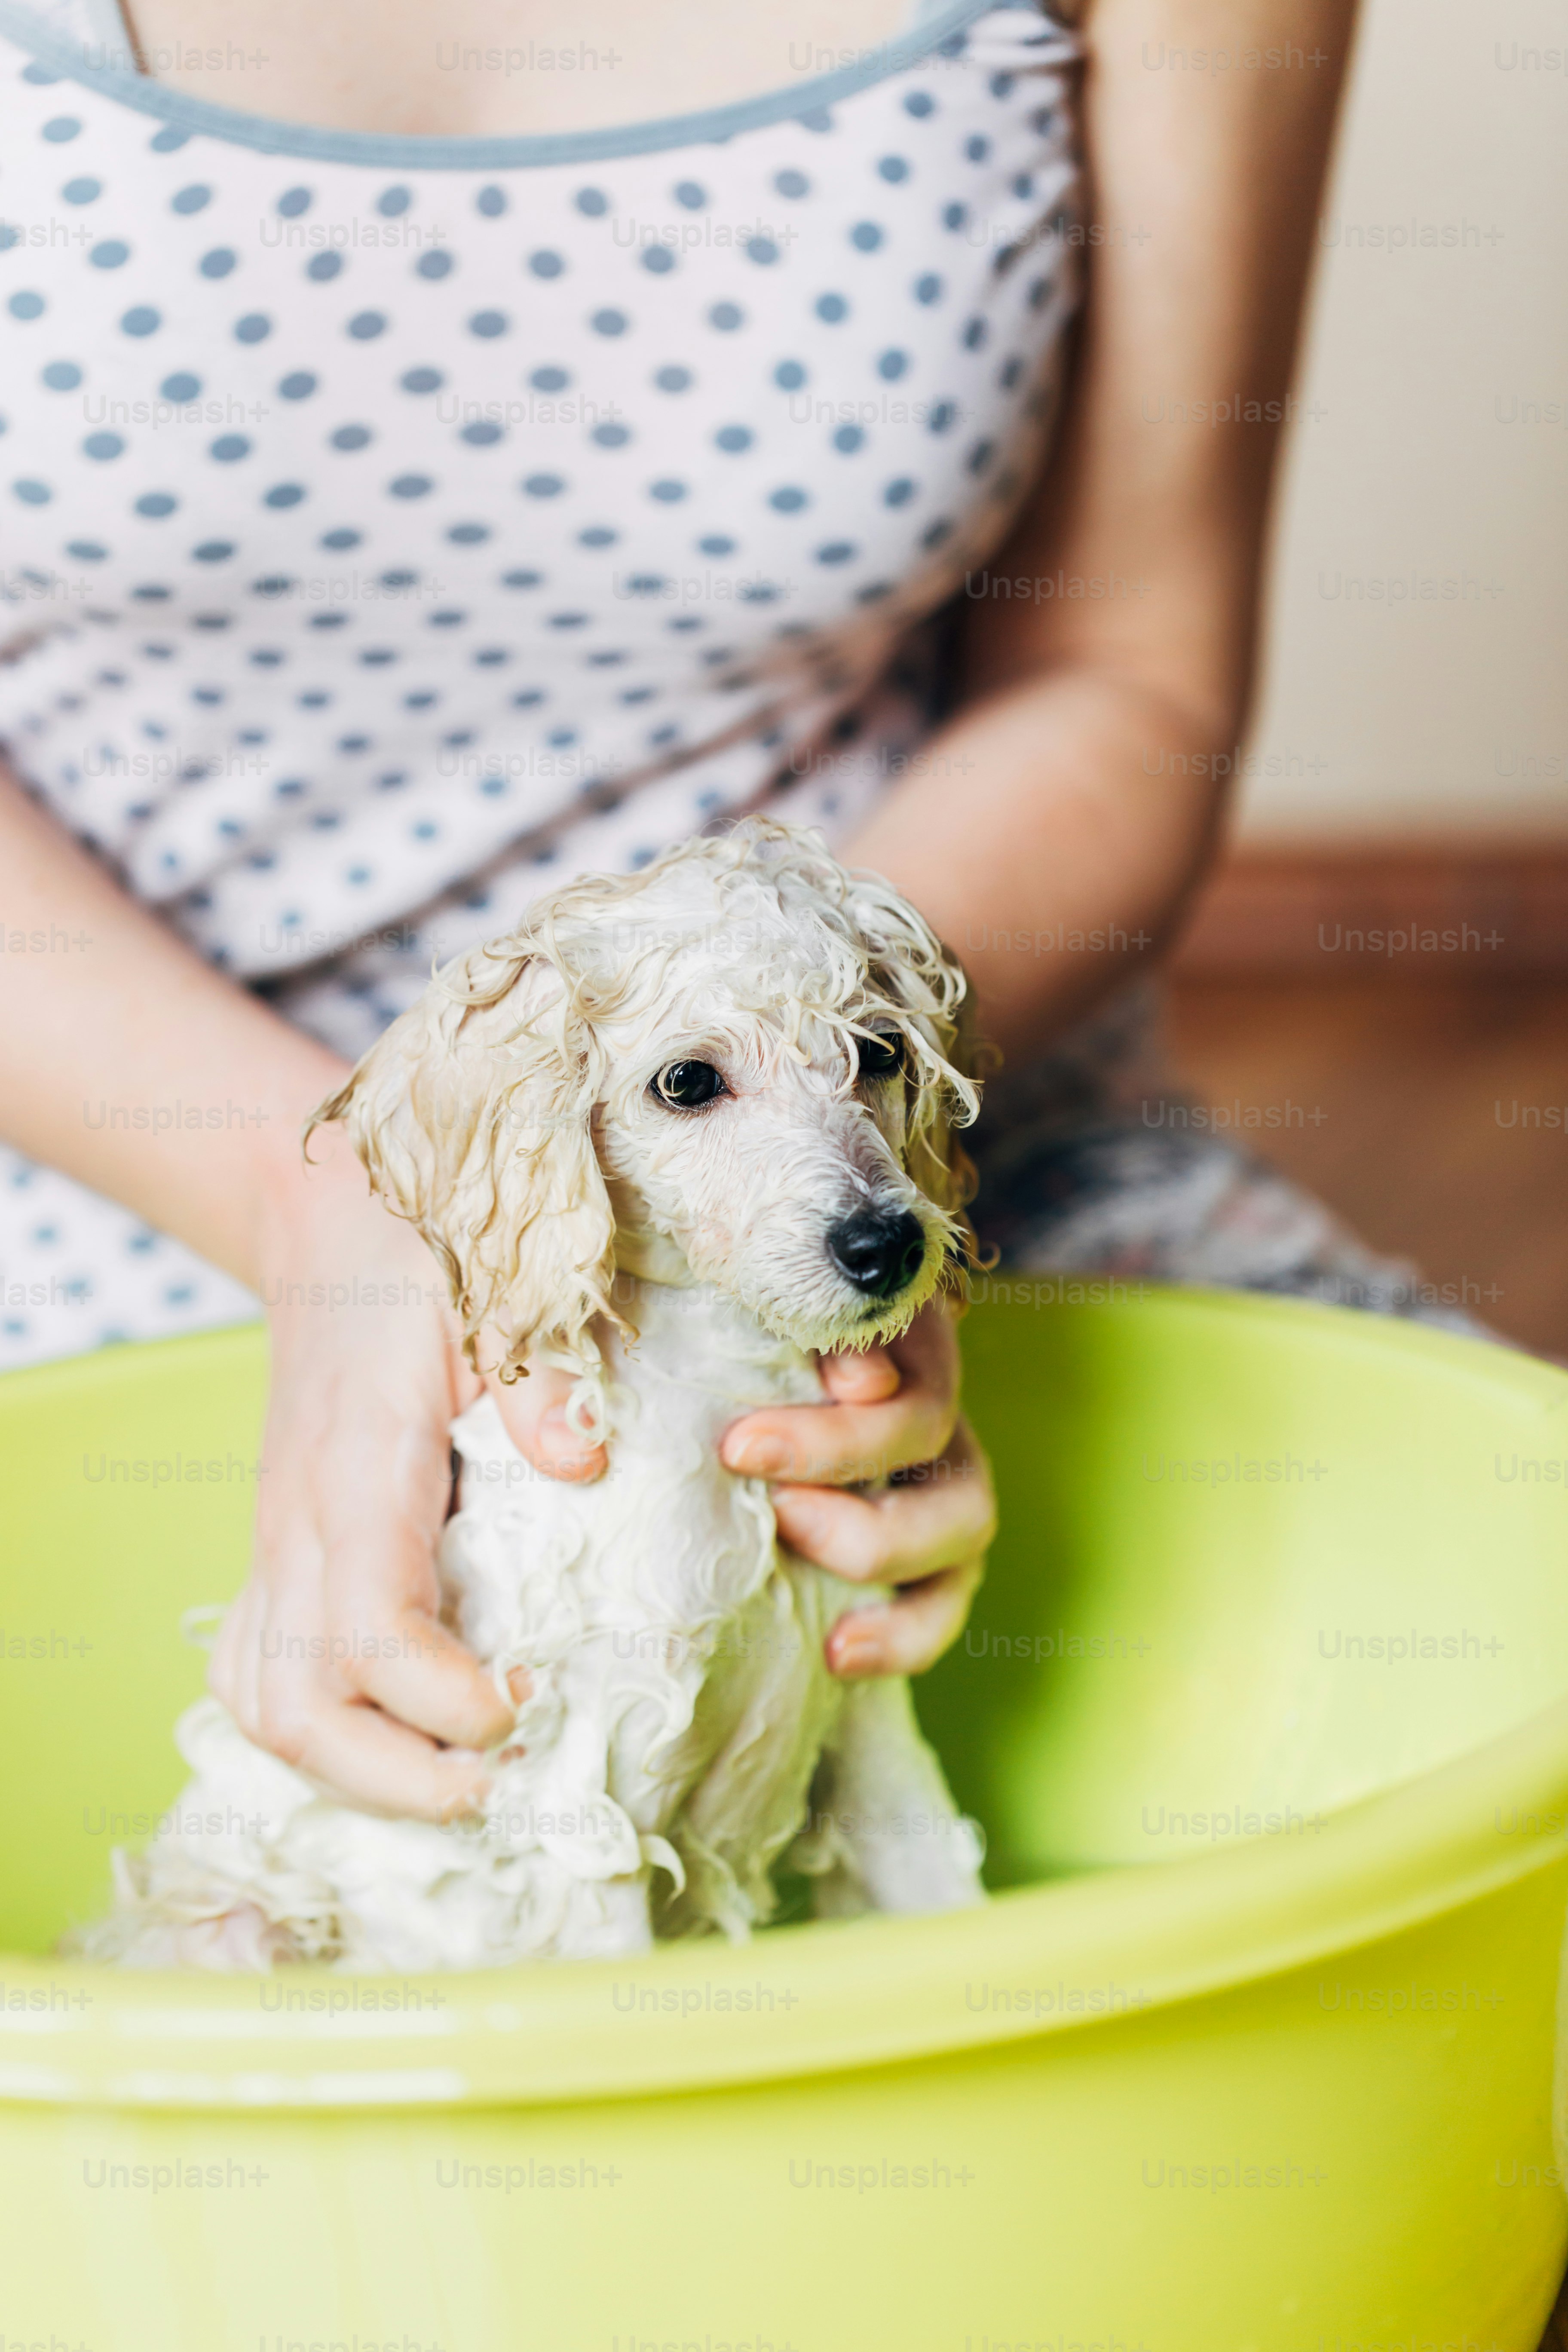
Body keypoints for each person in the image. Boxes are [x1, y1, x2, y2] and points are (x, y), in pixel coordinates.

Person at [1, 0, 1415, 1828]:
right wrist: (342, 1193)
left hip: (936, 1101)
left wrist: (829, 1124)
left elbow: (1122, 678)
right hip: (92, 1142)